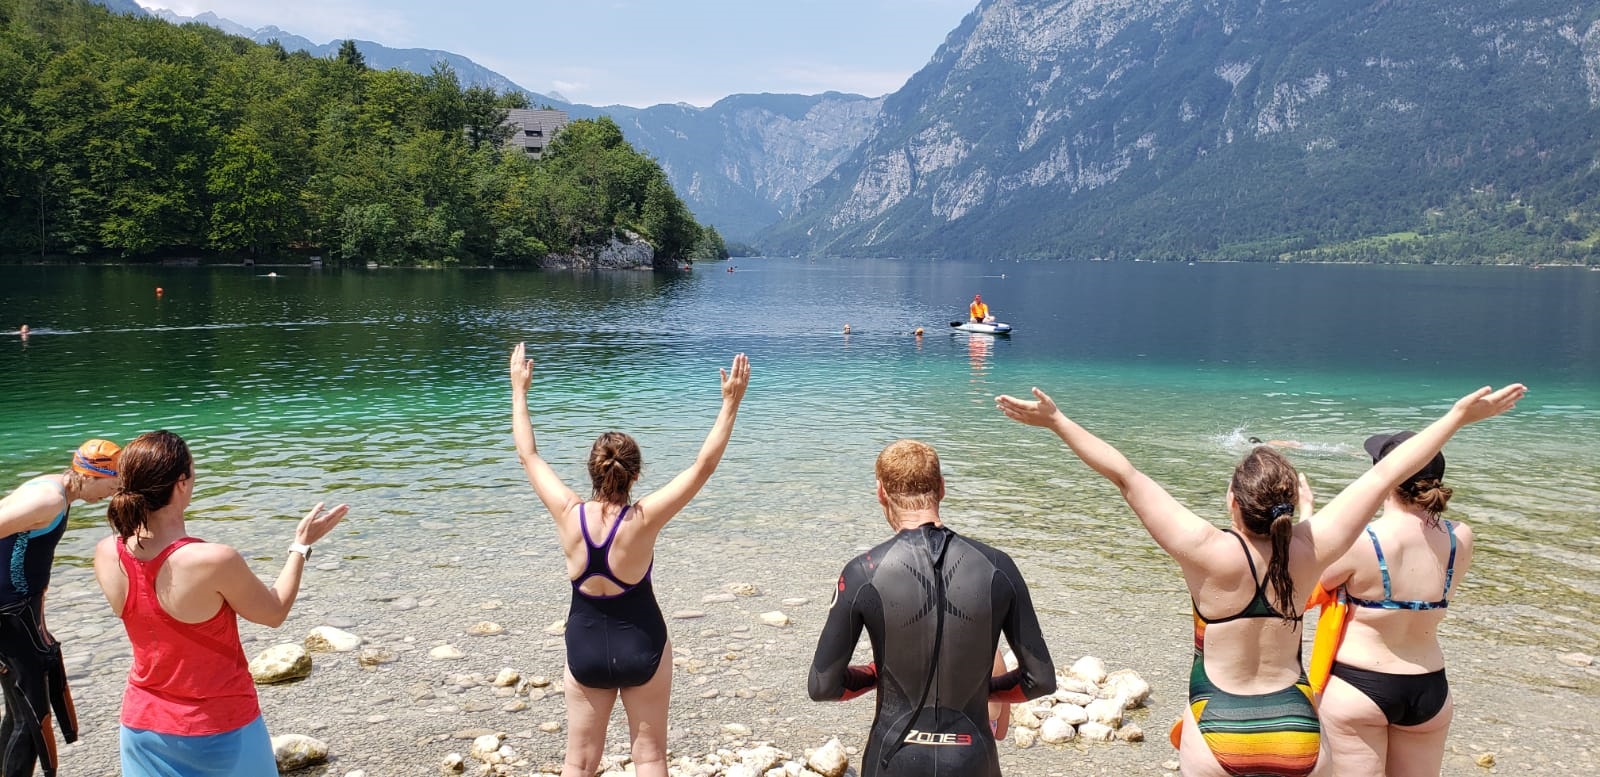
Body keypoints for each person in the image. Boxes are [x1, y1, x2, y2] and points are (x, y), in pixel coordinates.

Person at [994, 384, 1524, 777]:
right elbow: (1387, 473)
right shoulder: (1312, 548)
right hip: (1296, 727)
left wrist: (1058, 421)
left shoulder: (1205, 551)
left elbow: (1125, 474)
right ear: (1291, 507)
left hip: (1219, 720)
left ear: (1232, 502)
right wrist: (1456, 416)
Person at [509, 343, 748, 777]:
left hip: (584, 649)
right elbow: (702, 466)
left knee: (578, 762)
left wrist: (519, 391)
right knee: (650, 757)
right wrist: (730, 404)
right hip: (643, 646)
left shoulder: (568, 513)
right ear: (635, 474)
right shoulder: (644, 519)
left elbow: (529, 454)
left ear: (592, 471)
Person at [90, 431, 348, 776]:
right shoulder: (212, 560)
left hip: (141, 727)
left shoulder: (107, 552)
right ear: (181, 483)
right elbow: (274, 612)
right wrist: (300, 546)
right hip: (221, 729)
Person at [808, 439, 1056, 777]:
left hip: (892, 758)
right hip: (974, 759)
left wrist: (877, 675)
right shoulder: (998, 567)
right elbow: (1039, 681)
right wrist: (983, 687)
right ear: (942, 487)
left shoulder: (863, 572)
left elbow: (824, 686)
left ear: (881, 492)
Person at [1315, 431, 1474, 776]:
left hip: (1359, 684)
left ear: (1382, 476)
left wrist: (1310, 515)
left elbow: (1312, 580)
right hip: (1429, 686)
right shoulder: (1461, 537)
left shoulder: (1361, 542)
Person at [0, 439, 121, 777]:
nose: (112, 495)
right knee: (31, 714)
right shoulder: (49, 499)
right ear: (92, 475)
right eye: (113, 485)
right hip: (10, 616)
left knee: (19, 710)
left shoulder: (53, 486)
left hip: (19, 612)